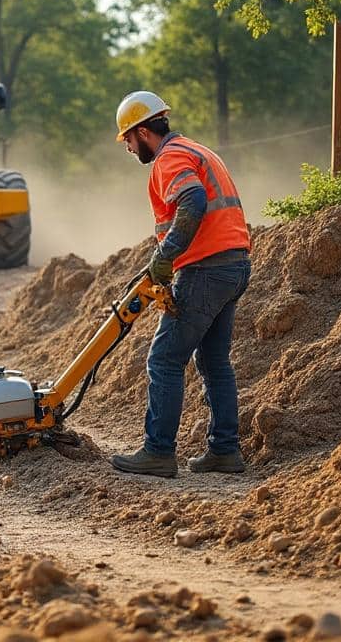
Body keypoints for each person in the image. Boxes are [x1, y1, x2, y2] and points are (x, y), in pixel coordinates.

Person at [109, 91, 252, 478]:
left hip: (206, 270)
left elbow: (192, 201)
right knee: (213, 360)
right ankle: (224, 451)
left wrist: (166, 256)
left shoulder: (169, 158)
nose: (127, 147)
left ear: (142, 131)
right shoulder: (198, 150)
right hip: (234, 265)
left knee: (163, 359)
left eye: (127, 139)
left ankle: (158, 452)